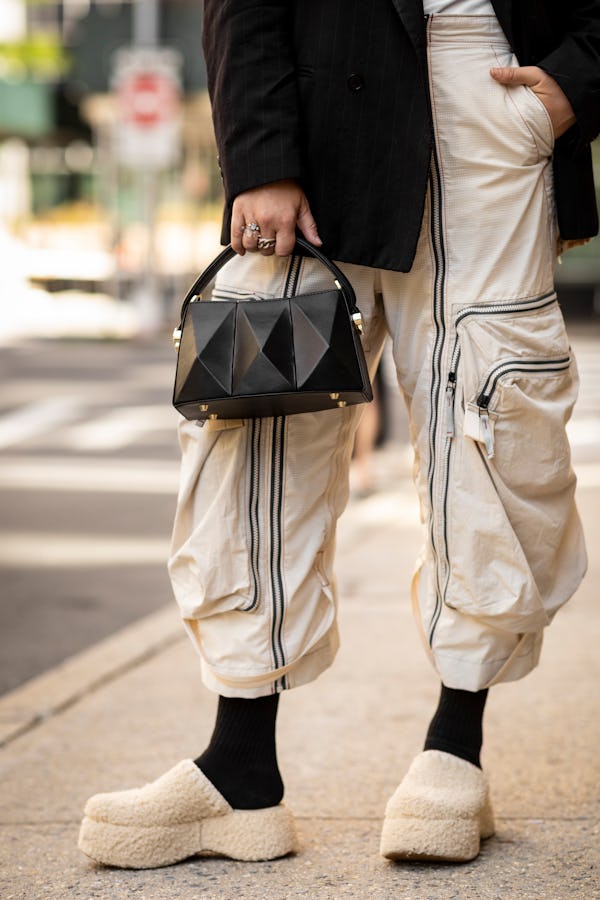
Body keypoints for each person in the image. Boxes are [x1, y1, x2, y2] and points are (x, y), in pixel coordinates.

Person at [78, 0, 600, 869]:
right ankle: (239, 771)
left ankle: (454, 747)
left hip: (492, 97)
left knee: (487, 412)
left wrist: (570, 86)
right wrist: (261, 155)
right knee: (256, 433)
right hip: (315, 102)